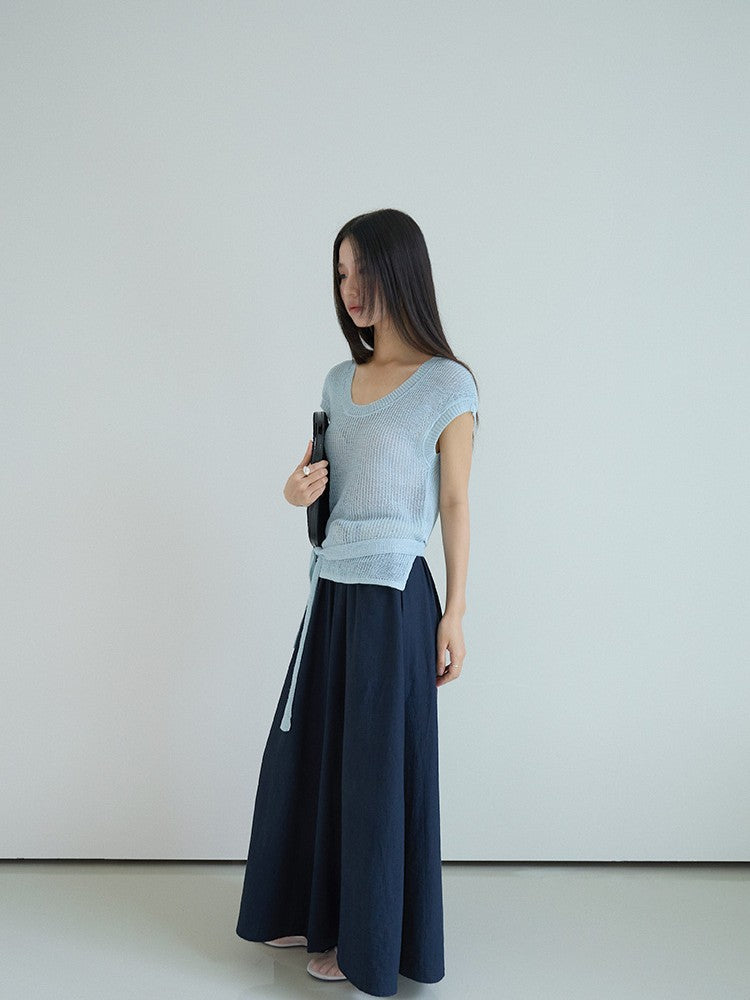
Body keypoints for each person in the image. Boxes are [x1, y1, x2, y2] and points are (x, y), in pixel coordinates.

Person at [236, 208, 480, 997]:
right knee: (312, 756)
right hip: (331, 595)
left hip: (394, 597)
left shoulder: (448, 384)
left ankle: (364, 937)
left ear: (401, 271)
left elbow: (455, 503)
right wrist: (294, 491)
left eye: (363, 271)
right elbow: (322, 484)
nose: (349, 289)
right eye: (341, 274)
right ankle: (311, 910)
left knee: (374, 772)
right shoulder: (337, 383)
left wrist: (455, 612)